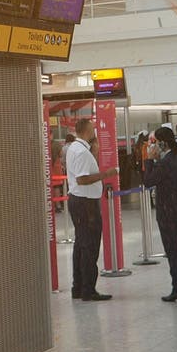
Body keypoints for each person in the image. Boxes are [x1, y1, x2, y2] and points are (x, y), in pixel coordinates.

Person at [65, 118, 120, 302]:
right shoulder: (81, 152)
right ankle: (88, 289)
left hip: (80, 201)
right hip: (85, 204)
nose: (95, 132)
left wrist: (94, 152)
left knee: (81, 244)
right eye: (93, 129)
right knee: (90, 246)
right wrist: (107, 174)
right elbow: (82, 179)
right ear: (87, 131)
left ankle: (78, 287)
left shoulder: (75, 148)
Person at [142, 126, 177, 302]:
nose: (153, 146)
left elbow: (148, 182)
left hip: (168, 213)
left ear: (162, 144)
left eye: (155, 143)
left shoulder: (163, 164)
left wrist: (149, 161)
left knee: (173, 250)